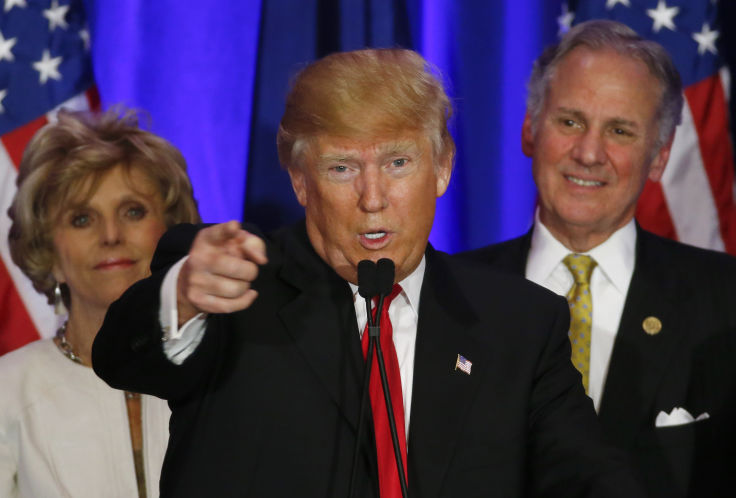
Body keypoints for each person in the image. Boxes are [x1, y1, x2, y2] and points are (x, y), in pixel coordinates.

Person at [92, 48, 644, 497]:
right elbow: (121, 356)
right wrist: (184, 296)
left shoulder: (517, 324)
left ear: (443, 167)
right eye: (341, 168)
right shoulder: (233, 285)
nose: (373, 198)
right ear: (301, 182)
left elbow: (587, 475)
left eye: (398, 162)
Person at [463, 20, 736, 498]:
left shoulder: (726, 303)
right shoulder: (450, 294)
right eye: (569, 121)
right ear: (530, 129)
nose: (589, 152)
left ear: (659, 156)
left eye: (620, 131)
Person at [0, 108, 200, 498]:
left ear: (172, 230)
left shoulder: (224, 374)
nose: (111, 235)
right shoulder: (8, 390)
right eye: (81, 219)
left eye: (133, 211)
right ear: (48, 251)